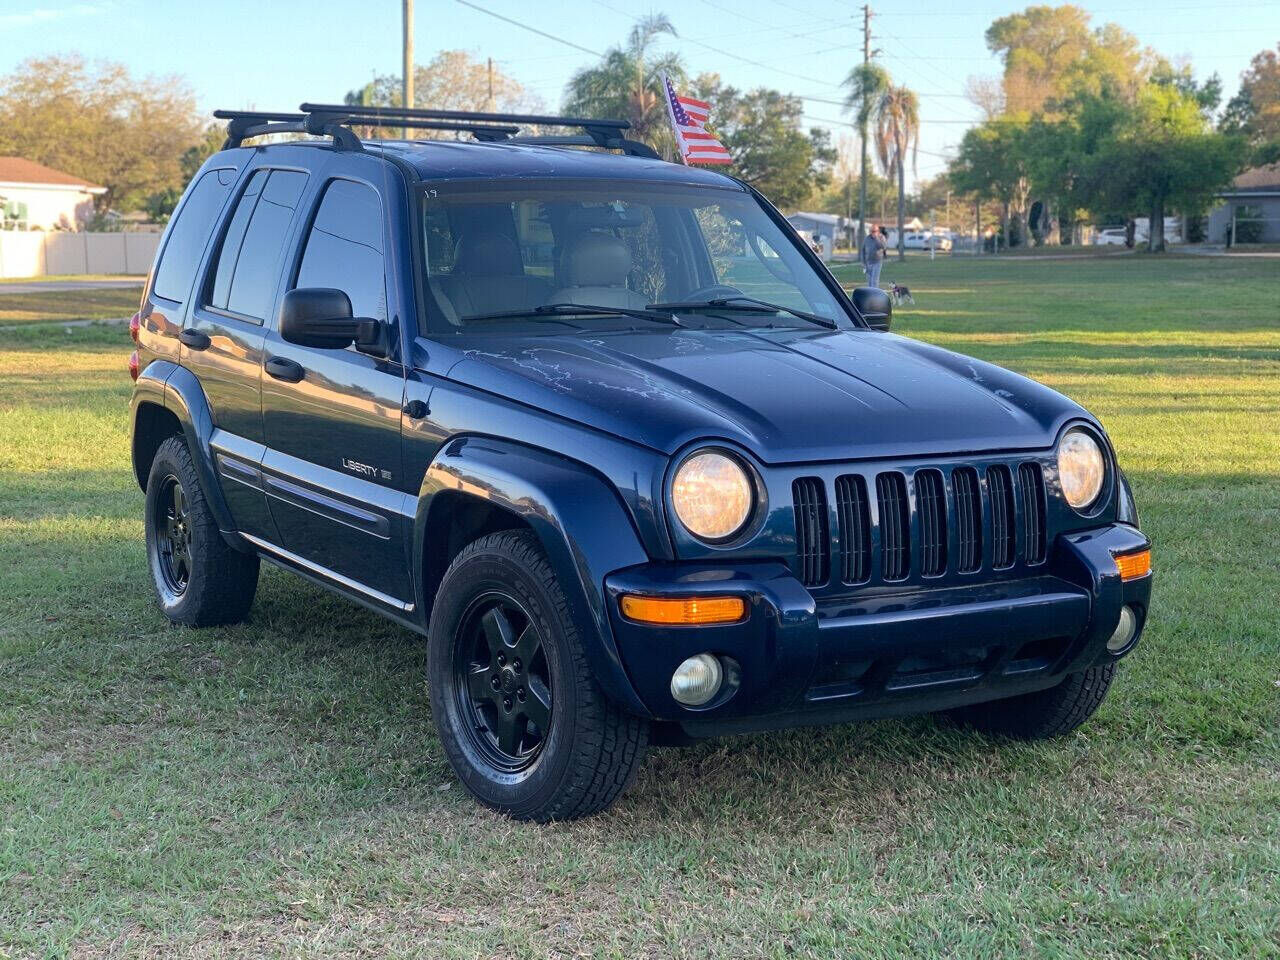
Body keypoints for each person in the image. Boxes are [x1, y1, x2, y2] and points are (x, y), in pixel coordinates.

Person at [860, 224, 887, 289]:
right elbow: (863, 250)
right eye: (871, 231)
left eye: (874, 231)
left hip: (877, 262)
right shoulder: (867, 238)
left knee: (874, 281)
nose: (872, 233)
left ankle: (874, 294)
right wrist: (863, 262)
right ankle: (871, 294)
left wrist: (876, 238)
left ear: (878, 231)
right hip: (868, 263)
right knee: (869, 282)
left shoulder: (881, 237)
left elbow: (883, 247)